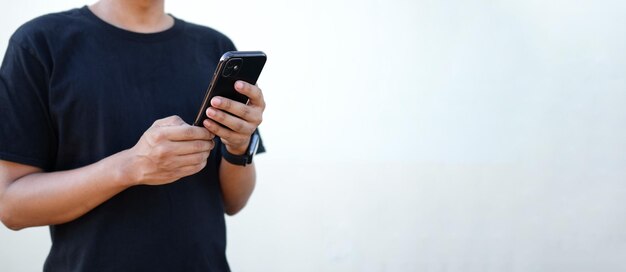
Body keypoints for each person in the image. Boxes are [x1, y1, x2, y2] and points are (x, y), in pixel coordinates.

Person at [0, 0, 266, 271]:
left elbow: (233, 202)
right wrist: (131, 166)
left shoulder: (214, 46)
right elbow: (11, 206)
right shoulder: (40, 44)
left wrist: (238, 145)